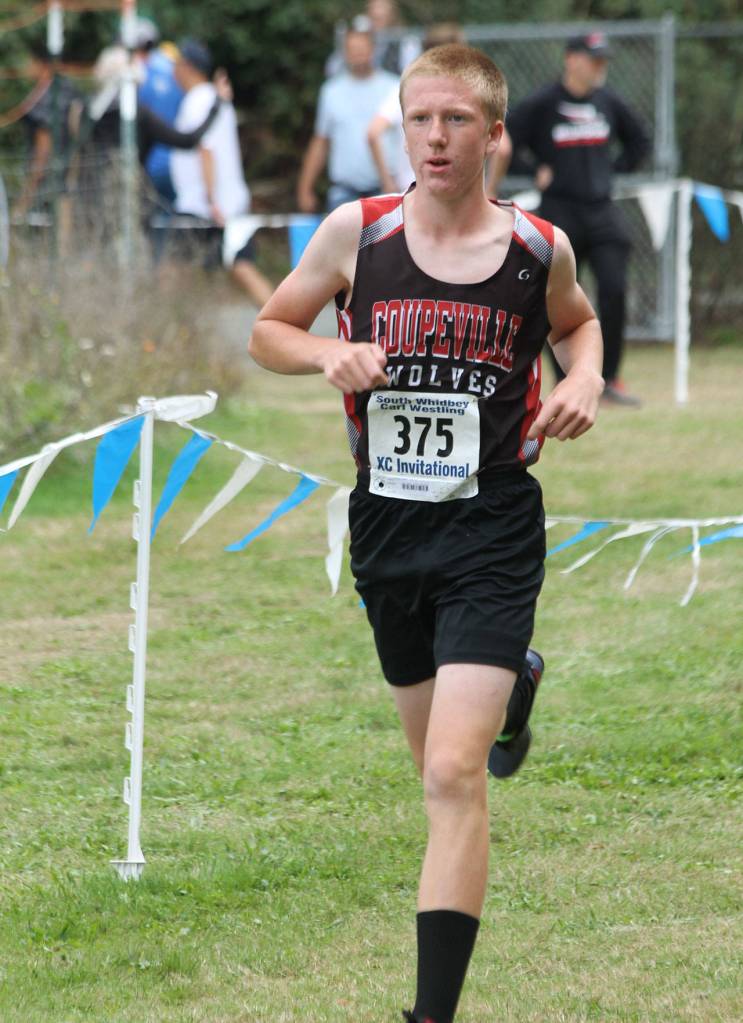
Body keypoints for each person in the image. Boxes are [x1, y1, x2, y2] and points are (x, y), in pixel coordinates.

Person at [250, 43, 603, 1023]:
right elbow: (268, 331)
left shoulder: (536, 250)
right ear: (398, 128)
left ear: (494, 135)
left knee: (455, 774)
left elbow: (577, 324)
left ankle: (428, 1016)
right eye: (417, 120)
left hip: (491, 526)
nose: (433, 139)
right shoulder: (355, 234)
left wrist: (578, 377)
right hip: (387, 528)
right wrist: (328, 351)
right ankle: (515, 675)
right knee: (432, 775)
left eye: (454, 121)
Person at [493, 31, 650, 405]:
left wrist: (612, 169)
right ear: (571, 59)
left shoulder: (608, 101)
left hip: (601, 210)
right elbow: (504, 140)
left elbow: (640, 140)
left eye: (603, 61)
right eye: (593, 59)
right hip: (560, 212)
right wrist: (534, 169)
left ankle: (608, 378)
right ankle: (565, 381)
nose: (600, 68)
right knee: (555, 298)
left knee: (613, 289)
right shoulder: (544, 103)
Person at [170, 39, 272, 307]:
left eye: (176, 63)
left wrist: (211, 198)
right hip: (218, 202)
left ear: (187, 66)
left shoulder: (198, 100)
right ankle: (285, 322)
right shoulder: (213, 99)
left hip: (203, 206)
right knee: (238, 266)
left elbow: (206, 150)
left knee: (174, 272)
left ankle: (285, 323)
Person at [297, 26, 399, 213]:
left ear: (373, 49)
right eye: (352, 49)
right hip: (344, 192)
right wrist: (305, 188)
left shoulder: (395, 87)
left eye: (362, 48)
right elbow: (321, 140)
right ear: (344, 52)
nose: (358, 54)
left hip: (385, 189)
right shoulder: (331, 91)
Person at [366, 23, 466, 195]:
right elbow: (502, 149)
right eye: (421, 118)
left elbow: (373, 133)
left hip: (412, 192)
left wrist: (388, 182)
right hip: (455, 194)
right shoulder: (468, 92)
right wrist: (490, 189)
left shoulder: (406, 87)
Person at [12, 42, 80, 221]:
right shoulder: (65, 88)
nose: (26, 67)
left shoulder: (50, 97)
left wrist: (23, 201)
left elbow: (43, 151)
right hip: (63, 181)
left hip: (48, 187)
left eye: (29, 62)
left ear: (41, 63)